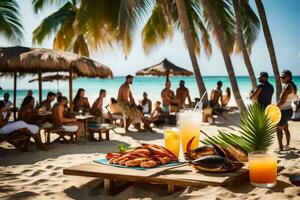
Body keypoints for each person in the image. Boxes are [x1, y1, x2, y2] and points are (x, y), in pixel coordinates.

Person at [276, 70, 298, 151]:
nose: (281, 78)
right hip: (289, 110)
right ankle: (287, 145)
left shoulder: (288, 87)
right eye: (281, 77)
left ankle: (281, 148)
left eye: (283, 77)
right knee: (285, 128)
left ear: (288, 77)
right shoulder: (292, 85)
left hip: (284, 111)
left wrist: (273, 107)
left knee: (278, 130)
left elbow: (282, 102)